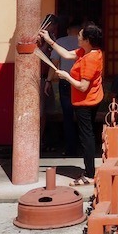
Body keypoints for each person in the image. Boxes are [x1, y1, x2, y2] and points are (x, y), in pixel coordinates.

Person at [40, 22, 104, 185]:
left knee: (86, 137)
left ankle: (89, 174)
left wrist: (66, 76)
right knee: (87, 135)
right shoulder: (88, 51)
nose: (77, 37)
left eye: (80, 36)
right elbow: (67, 55)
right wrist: (50, 40)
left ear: (87, 40)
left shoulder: (90, 58)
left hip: (86, 102)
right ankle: (89, 170)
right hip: (91, 98)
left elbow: (83, 86)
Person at [46, 22, 81, 156]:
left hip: (66, 81)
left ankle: (70, 148)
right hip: (81, 82)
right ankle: (84, 147)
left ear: (67, 30)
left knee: (68, 115)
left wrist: (48, 80)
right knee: (82, 115)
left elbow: (54, 63)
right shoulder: (83, 43)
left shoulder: (60, 41)